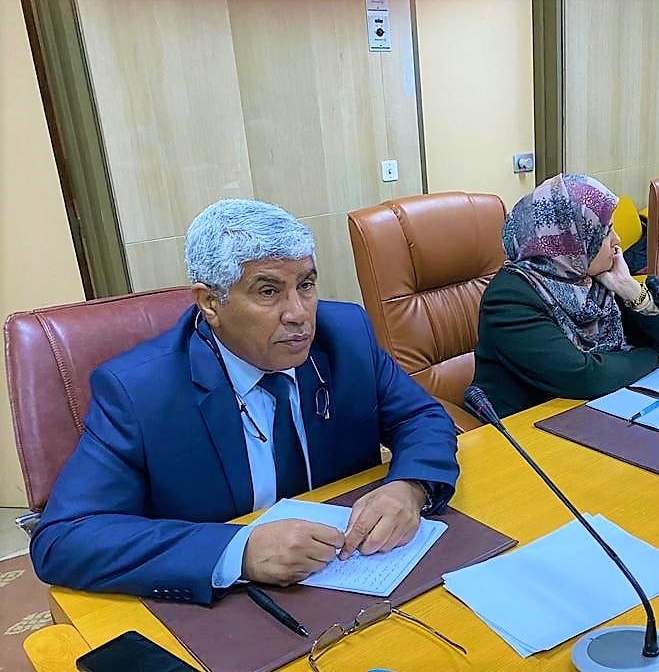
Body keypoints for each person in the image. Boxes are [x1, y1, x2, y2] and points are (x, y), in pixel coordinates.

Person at [30, 200, 459, 604]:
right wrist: (240, 551)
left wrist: (410, 487)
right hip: (231, 607)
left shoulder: (345, 334)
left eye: (306, 285)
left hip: (358, 577)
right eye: (268, 291)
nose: (298, 313)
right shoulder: (139, 392)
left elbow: (421, 416)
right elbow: (64, 538)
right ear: (210, 303)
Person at [472, 173, 659, 418]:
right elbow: (582, 376)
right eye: (606, 232)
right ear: (571, 241)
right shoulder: (509, 298)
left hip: (603, 408)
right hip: (532, 422)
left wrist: (630, 289)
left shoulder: (594, 278)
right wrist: (653, 359)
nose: (617, 240)